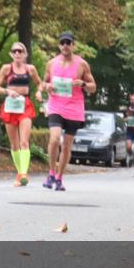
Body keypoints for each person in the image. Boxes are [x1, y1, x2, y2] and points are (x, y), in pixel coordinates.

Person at [41, 32, 97, 191]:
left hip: (74, 109)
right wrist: (47, 87)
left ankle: (59, 178)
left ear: (73, 45)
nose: (65, 45)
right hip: (56, 106)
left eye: (68, 42)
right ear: (59, 45)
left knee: (66, 146)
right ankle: (51, 173)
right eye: (62, 43)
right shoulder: (51, 63)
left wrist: (83, 84)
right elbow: (43, 84)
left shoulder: (82, 64)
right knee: (54, 139)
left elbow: (93, 87)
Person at [0, 42, 44, 186]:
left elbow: (39, 83)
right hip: (10, 105)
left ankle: (23, 174)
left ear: (25, 54)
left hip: (24, 105)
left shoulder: (30, 69)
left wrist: (39, 91)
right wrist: (7, 91)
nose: (17, 54)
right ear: (11, 54)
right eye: (14, 51)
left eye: (20, 51)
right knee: (14, 144)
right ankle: (19, 173)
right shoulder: (6, 68)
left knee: (24, 142)